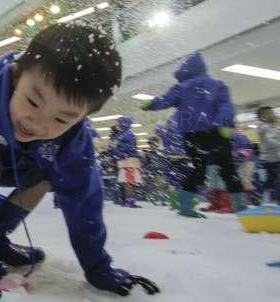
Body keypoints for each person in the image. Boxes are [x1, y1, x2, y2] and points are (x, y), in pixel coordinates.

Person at [0, 24, 159, 302]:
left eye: (61, 119)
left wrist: (99, 269)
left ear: (82, 119)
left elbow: (84, 203)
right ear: (15, 75)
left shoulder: (74, 139)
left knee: (51, 177)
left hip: (30, 161)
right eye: (33, 102)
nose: (38, 123)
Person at [141, 52, 245, 217]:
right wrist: (225, 123)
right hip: (216, 132)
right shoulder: (217, 85)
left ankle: (185, 206)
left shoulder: (181, 88)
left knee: (198, 170)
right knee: (228, 169)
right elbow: (226, 106)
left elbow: (165, 100)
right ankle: (241, 207)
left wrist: (151, 104)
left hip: (192, 136)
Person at [107, 117, 143, 208]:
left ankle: (125, 201)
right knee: (130, 182)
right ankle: (130, 203)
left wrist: (119, 155)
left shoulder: (119, 135)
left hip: (122, 161)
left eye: (119, 123)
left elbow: (111, 148)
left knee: (125, 182)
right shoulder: (129, 134)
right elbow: (132, 149)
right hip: (130, 160)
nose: (118, 124)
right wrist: (138, 156)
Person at [256, 106, 280, 203]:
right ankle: (276, 199)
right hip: (272, 158)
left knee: (272, 179)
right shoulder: (266, 127)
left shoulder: (268, 127)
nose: (273, 115)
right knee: (277, 179)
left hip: (270, 158)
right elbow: (269, 140)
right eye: (271, 113)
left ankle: (260, 195)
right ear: (263, 116)